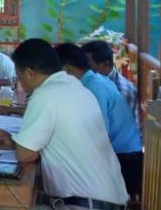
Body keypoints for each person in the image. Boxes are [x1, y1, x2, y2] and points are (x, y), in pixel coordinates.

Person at [0, 38, 129, 210]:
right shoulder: (77, 88)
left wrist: (19, 147)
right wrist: (14, 142)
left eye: (19, 77)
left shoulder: (44, 94)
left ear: (30, 73)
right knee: (20, 204)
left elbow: (25, 155)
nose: (21, 84)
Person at [57, 42, 143, 198]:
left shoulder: (93, 89)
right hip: (120, 157)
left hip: (123, 163)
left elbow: (97, 136)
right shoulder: (95, 80)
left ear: (67, 69)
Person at [83, 40, 140, 126]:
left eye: (87, 65)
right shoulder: (93, 82)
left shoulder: (121, 92)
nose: (82, 68)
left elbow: (115, 128)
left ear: (106, 65)